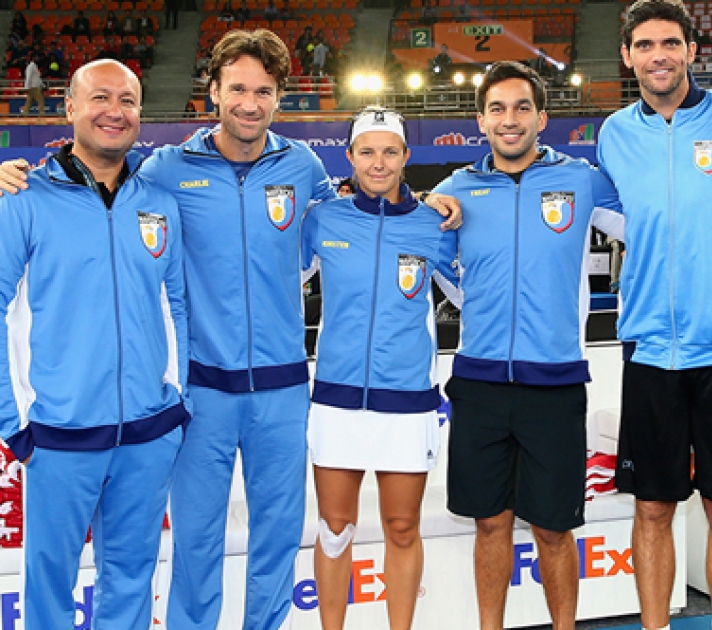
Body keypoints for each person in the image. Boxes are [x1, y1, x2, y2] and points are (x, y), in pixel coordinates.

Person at [0, 27, 460, 630]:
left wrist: (435, 198)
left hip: (284, 390)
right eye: (237, 88)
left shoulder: (300, 165)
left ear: (278, 98)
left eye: (264, 90)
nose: (249, 102)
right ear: (211, 92)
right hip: (201, 393)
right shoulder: (167, 169)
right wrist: (26, 170)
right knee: (194, 545)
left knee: (275, 544)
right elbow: (95, 168)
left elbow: (361, 203)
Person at [595, 1, 712, 629]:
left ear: (692, 49)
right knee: (651, 508)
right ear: (627, 56)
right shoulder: (615, 134)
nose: (659, 56)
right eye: (645, 45)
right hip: (650, 348)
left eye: (670, 43)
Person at [433, 60, 624, 630]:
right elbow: (437, 266)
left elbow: (651, 221)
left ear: (542, 117)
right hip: (480, 382)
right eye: (497, 108)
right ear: (480, 119)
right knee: (490, 523)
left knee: (553, 528)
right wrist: (483, 304)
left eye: (521, 108)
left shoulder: (583, 180)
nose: (509, 120)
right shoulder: (453, 191)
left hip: (556, 382)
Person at [0, 58, 188, 630]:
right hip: (57, 435)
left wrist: (174, 403)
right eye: (101, 98)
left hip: (147, 435)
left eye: (127, 101)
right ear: (71, 109)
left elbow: (175, 307)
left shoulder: (159, 202)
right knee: (49, 587)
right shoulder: (22, 198)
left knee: (131, 580)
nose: (115, 111)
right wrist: (16, 421)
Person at [304, 106, 458, 630]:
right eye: (366, 151)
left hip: (407, 403)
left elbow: (474, 291)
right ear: (348, 157)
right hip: (336, 401)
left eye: (389, 151)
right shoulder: (323, 218)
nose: (378, 162)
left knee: (401, 527)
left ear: (406, 157)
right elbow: (276, 273)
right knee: (334, 530)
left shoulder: (434, 224)